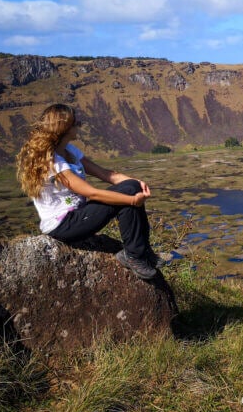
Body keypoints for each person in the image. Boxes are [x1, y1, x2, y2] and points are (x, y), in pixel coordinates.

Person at [16, 103, 158, 280]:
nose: (79, 126)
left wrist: (137, 182)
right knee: (128, 196)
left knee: (130, 187)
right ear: (65, 128)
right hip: (63, 226)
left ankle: (142, 251)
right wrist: (132, 201)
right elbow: (92, 193)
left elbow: (106, 174)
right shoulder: (53, 162)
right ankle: (134, 255)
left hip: (79, 214)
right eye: (76, 123)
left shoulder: (70, 151)